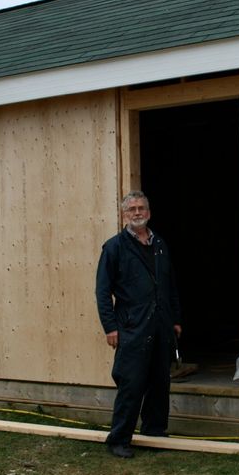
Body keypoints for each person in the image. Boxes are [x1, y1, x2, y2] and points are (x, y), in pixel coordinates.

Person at [95, 191, 182, 458]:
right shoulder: (114, 247)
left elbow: (170, 286)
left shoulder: (159, 245)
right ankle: (119, 439)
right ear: (123, 215)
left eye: (141, 207)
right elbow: (102, 291)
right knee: (131, 384)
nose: (137, 212)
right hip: (131, 327)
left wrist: (175, 320)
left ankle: (155, 432)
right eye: (131, 208)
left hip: (160, 325)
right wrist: (110, 327)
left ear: (149, 212)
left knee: (159, 381)